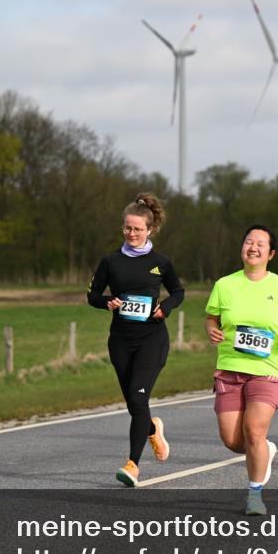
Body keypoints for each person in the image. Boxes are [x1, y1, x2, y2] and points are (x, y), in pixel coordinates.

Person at [205, 226, 278, 515]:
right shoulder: (224, 285)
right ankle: (265, 449)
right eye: (248, 241)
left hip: (269, 368)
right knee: (232, 440)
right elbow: (211, 318)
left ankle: (254, 494)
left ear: (271, 253)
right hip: (229, 368)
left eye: (260, 244)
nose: (253, 247)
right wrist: (212, 331)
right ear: (242, 248)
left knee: (253, 430)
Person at [88, 193, 184, 487]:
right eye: (128, 228)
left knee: (139, 398)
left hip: (151, 340)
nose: (132, 234)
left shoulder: (160, 263)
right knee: (133, 402)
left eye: (138, 229)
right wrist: (107, 303)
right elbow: (92, 296)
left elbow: (178, 292)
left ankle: (132, 464)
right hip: (120, 340)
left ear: (150, 230)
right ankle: (152, 429)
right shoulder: (110, 261)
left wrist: (163, 308)